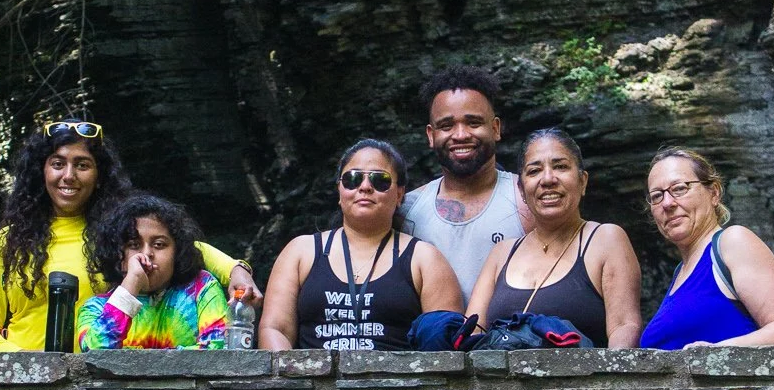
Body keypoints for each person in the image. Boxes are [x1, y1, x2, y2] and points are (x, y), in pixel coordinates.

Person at [0, 119, 258, 352]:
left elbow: (179, 245)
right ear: (42, 171)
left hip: (103, 380)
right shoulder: (11, 240)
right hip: (27, 382)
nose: (69, 175)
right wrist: (28, 366)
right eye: (58, 164)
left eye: (82, 165)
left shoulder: (119, 231)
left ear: (99, 176)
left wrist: (237, 270)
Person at [259, 139, 461, 351]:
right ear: (339, 190)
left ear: (399, 194)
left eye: (380, 180)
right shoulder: (300, 252)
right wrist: (289, 371)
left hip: (397, 373)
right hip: (309, 372)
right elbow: (275, 329)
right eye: (352, 179)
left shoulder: (425, 259)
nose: (365, 187)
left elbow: (443, 343)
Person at [467, 128, 642, 347]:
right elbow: (473, 331)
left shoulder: (606, 239)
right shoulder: (502, 253)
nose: (548, 179)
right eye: (534, 171)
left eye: (560, 167)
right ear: (521, 189)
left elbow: (624, 326)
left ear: (583, 181)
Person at [641, 146, 774, 349]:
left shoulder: (733, 242)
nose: (667, 203)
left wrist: (714, 353)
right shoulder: (680, 272)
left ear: (714, 193)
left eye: (680, 189)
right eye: (657, 196)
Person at [402, 66, 531, 299]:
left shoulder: (527, 201)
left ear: (495, 128)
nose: (460, 135)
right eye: (446, 126)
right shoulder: (407, 210)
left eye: (473, 123)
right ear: (431, 135)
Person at [77, 195, 229, 350]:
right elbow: (95, 354)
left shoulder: (201, 288)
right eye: (134, 245)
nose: (147, 253)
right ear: (116, 253)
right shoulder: (96, 308)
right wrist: (132, 283)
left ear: (176, 252)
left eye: (159, 244)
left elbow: (216, 349)